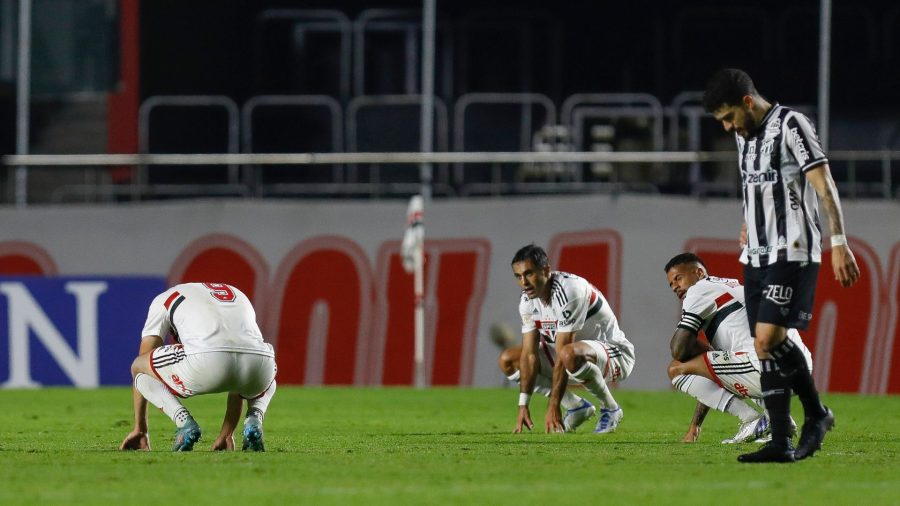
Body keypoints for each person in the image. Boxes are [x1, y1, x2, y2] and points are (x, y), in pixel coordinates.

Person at [702, 69, 860, 463]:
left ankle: (817, 415)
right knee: (763, 346)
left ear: (747, 102)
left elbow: (824, 185)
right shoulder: (743, 138)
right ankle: (779, 441)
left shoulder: (792, 124)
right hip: (755, 254)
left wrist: (839, 242)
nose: (725, 127)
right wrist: (748, 222)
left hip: (794, 249)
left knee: (770, 338)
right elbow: (759, 189)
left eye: (727, 117)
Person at [664, 252, 813, 444]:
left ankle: (753, 419)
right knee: (731, 361)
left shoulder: (698, 289)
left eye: (678, 278)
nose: (675, 286)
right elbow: (716, 374)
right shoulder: (732, 286)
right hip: (802, 367)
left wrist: (707, 351)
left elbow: (679, 349)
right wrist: (695, 425)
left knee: (676, 368)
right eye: (671, 284)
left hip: (768, 368)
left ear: (699, 273)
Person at [118, 282, 277, 452]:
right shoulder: (236, 292)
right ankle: (255, 418)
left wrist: (140, 428)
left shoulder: (164, 299)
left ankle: (184, 422)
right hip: (261, 365)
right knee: (266, 375)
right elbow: (238, 364)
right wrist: (226, 434)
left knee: (139, 366)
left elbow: (144, 360)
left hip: (206, 362)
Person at [504, 244, 635, 434]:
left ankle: (611, 408)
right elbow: (529, 355)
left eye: (529, 274)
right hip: (571, 359)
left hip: (614, 356)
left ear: (546, 270)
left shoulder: (570, 290)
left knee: (567, 352)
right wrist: (523, 404)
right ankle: (575, 407)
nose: (524, 282)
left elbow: (564, 349)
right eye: (518, 276)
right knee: (510, 359)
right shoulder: (527, 301)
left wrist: (553, 405)